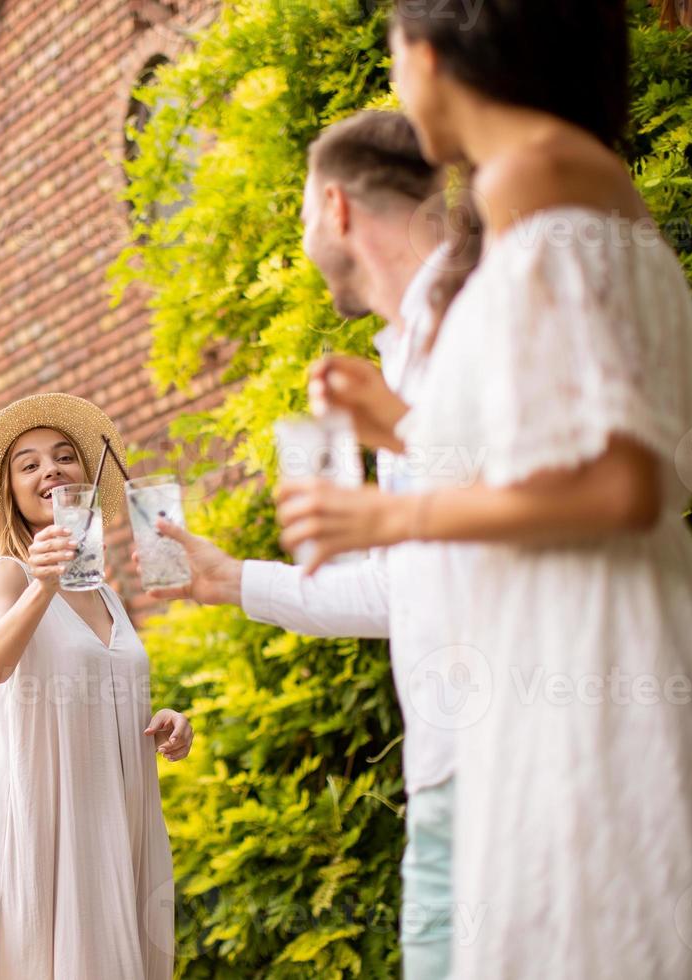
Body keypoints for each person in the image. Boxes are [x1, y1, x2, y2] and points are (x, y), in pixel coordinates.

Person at [275, 3, 692, 976]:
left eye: (396, 60)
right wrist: (396, 426)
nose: (397, 86)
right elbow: (552, 452)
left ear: (429, 58)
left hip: (596, 649)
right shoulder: (565, 184)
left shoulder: (534, 181)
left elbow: (618, 484)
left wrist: (390, 510)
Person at [137, 108, 477, 979]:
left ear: (333, 206)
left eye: (298, 214)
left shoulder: (484, 317)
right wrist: (227, 578)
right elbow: (398, 596)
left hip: (526, 757)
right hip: (446, 772)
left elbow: (590, 489)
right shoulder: (396, 363)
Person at [0, 393, 194, 980]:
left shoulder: (107, 593)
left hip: (121, 808)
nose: (50, 469)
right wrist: (42, 583)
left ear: (86, 478)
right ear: (11, 490)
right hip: (54, 814)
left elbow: (104, 682)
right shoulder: (8, 572)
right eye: (28, 464)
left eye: (64, 457)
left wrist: (163, 718)